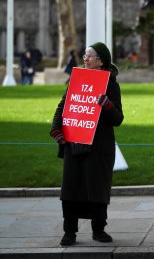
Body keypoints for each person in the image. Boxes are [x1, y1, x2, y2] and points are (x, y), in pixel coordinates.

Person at [50, 42, 124, 246]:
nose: (85, 59)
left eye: (89, 56)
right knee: (71, 189)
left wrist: (107, 105)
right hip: (74, 143)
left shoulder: (111, 84)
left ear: (100, 61)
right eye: (84, 55)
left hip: (99, 147)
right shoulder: (76, 79)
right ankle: (69, 232)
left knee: (97, 188)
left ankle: (98, 230)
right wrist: (56, 130)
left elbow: (118, 119)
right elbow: (62, 107)